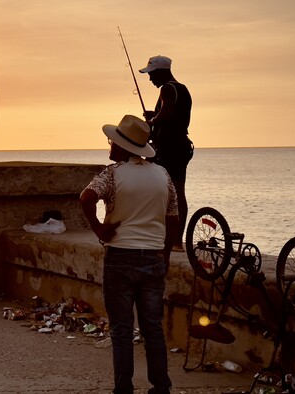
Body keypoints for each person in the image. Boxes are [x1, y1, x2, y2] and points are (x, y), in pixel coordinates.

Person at [80, 115, 178, 394]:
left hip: (120, 257)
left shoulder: (112, 174)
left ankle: (123, 389)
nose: (109, 145)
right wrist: (166, 254)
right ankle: (161, 387)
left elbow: (86, 198)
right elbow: (173, 217)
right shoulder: (162, 175)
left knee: (122, 330)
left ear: (123, 147)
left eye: (112, 141)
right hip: (153, 257)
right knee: (153, 329)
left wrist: (99, 229)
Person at [139, 55, 193, 252]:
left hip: (171, 148)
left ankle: (174, 240)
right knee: (177, 193)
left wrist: (151, 122)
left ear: (162, 72)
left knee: (168, 192)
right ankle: (174, 239)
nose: (150, 78)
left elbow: (167, 114)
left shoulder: (167, 88)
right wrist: (155, 115)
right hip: (180, 146)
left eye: (152, 74)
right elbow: (174, 116)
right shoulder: (182, 89)